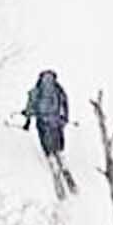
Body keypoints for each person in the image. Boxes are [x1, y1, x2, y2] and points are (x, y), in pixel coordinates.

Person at [21, 69, 79, 197]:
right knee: (58, 146)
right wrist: (64, 119)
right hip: (57, 123)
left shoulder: (37, 89)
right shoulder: (58, 89)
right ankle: (62, 161)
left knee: (47, 145)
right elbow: (65, 104)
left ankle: (52, 161)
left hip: (43, 123)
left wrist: (27, 115)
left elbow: (31, 106)